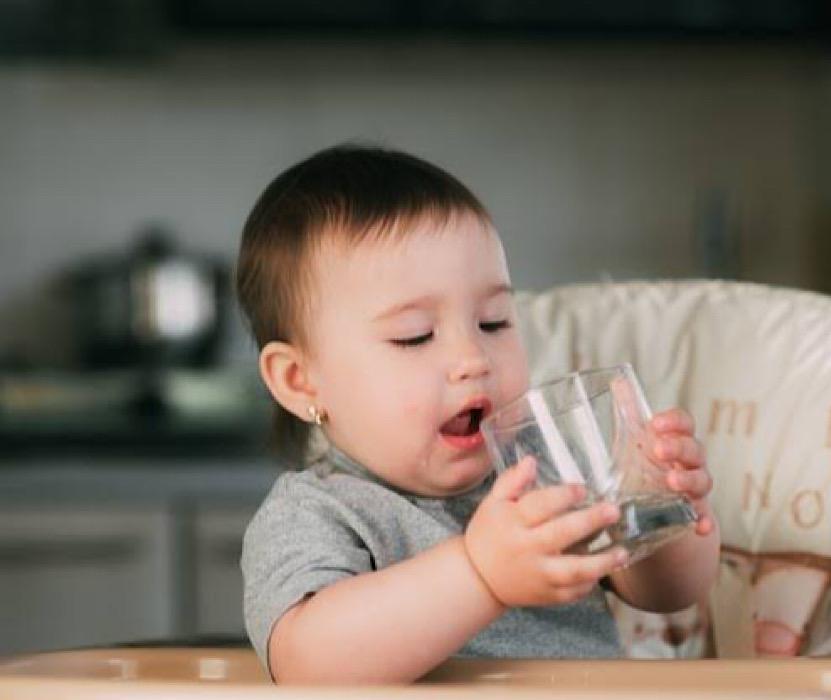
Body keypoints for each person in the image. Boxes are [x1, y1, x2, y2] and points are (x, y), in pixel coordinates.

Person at [237, 144, 720, 685]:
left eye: (493, 322)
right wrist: (480, 574)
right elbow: (309, 666)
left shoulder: (538, 474)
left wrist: (663, 506)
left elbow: (666, 594)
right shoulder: (315, 513)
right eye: (414, 336)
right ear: (299, 380)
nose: (473, 360)